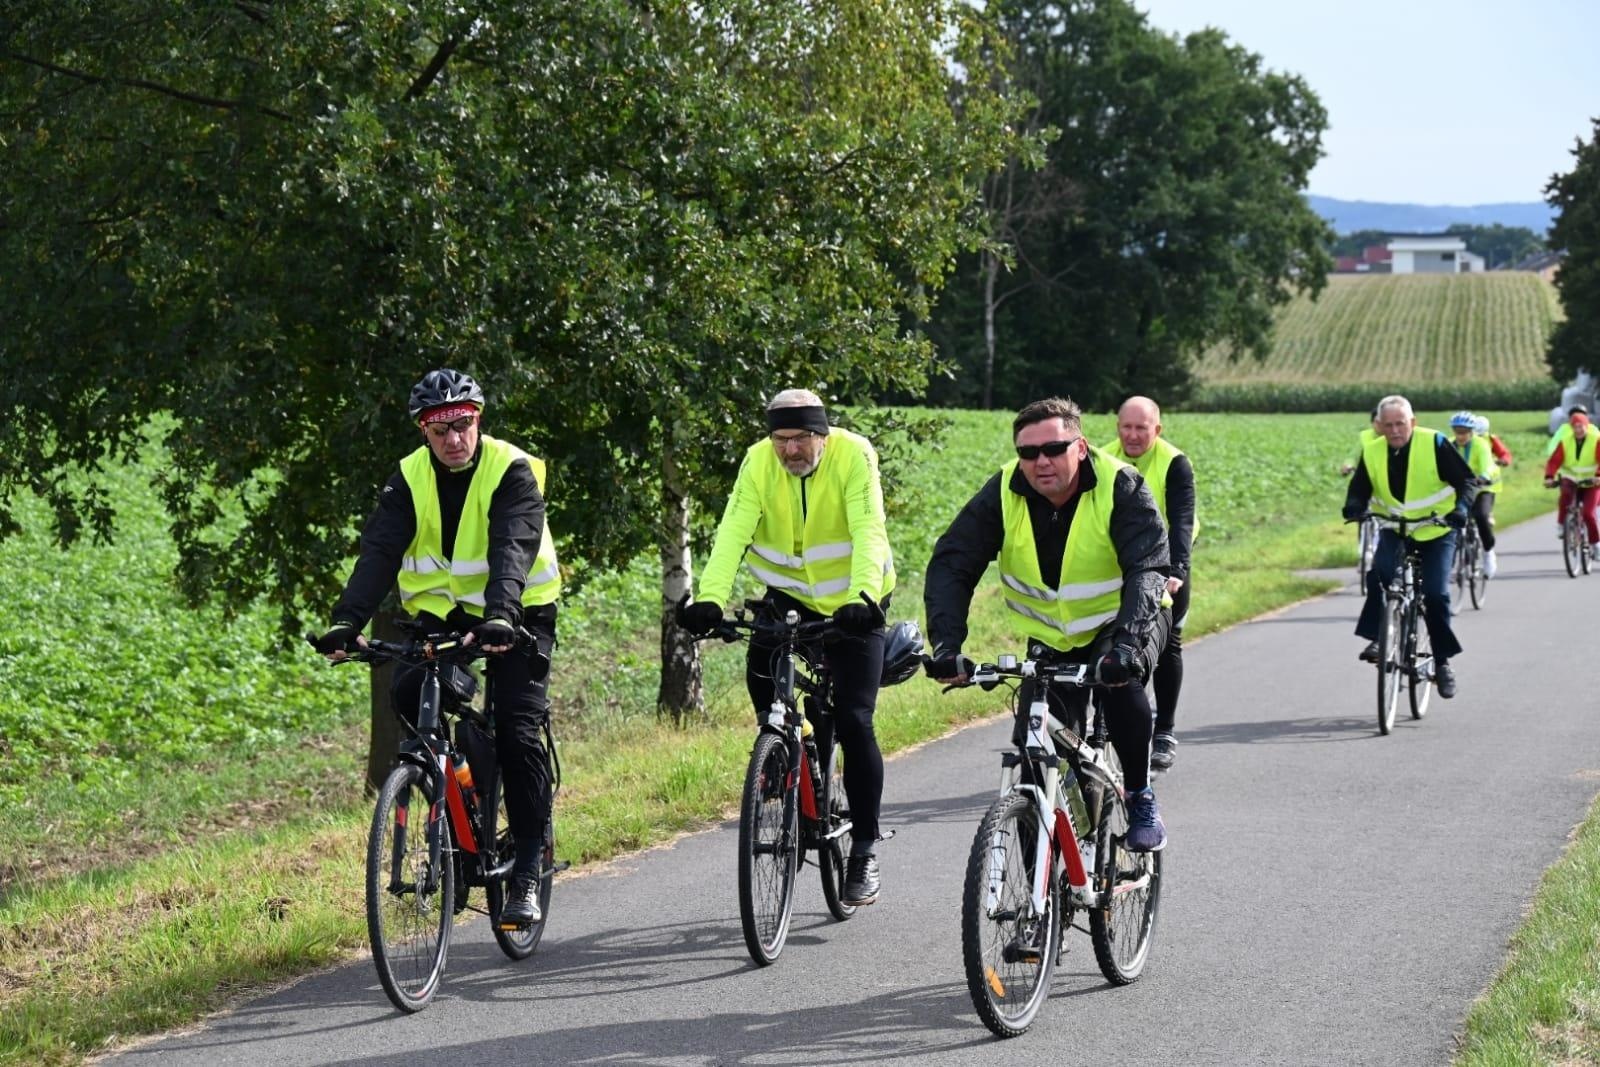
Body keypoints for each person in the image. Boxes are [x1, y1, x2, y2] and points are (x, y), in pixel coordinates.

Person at [313, 369, 561, 927]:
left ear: (478, 421)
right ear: (424, 432)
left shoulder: (511, 470)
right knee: (407, 692)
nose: (453, 438)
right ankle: (464, 794)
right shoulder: (408, 479)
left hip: (518, 612)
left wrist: (501, 614)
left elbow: (512, 545)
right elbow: (379, 551)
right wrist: (346, 621)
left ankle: (526, 864)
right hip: (443, 617)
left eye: (463, 424)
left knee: (519, 733)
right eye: (439, 428)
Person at [677, 388, 896, 906]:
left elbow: (868, 530)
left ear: (822, 434)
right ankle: (783, 758)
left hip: (852, 600)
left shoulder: (854, 454)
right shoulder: (758, 462)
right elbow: (734, 530)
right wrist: (710, 598)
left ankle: (864, 849)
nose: (790, 450)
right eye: (781, 440)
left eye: (801, 439)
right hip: (787, 597)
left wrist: (862, 597)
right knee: (762, 671)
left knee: (855, 719)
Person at [924, 396, 1172, 852]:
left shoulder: (1121, 485)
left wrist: (1127, 647)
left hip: (1124, 621)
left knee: (1122, 689)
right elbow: (952, 564)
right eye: (1028, 452)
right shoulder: (1003, 492)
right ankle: (1040, 904)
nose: (1040, 462)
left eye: (1054, 449)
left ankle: (1140, 794)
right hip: (1053, 635)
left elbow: (1148, 569)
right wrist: (946, 646)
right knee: (1035, 753)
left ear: (1080, 447)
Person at [1343, 395, 1476, 699]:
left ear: (1412, 423)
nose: (1394, 430)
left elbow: (1466, 481)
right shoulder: (1373, 451)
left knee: (1435, 593)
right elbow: (1359, 488)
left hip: (1436, 530)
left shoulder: (1435, 443)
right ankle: (1381, 638)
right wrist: (1353, 507)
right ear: (1378, 426)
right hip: (1396, 529)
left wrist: (1460, 510)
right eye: (1387, 425)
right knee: (1379, 575)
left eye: (1400, 423)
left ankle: (1441, 663)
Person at [1104, 396, 1194, 772]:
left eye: (1142, 428)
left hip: (1168, 565)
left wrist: (1177, 570)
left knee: (1168, 643)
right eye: (1127, 426)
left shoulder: (1175, 463)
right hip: (1120, 567)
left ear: (1157, 429)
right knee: (1112, 644)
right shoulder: (1100, 458)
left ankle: (1165, 731)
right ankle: (1104, 732)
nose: (1133, 435)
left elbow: (1182, 520)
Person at [1448, 411, 1499, 578]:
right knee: (1450, 520)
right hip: (1460, 490)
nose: (1461, 436)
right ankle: (1453, 560)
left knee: (1481, 516)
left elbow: (1489, 465)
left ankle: (1488, 552)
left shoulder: (1480, 445)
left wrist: (1483, 477)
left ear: (1472, 431)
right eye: (1457, 431)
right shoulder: (1449, 445)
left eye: (1464, 432)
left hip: (1482, 488)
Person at [1544, 406, 1600, 557]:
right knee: (1565, 498)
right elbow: (1554, 461)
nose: (1578, 430)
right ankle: (1563, 525)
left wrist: (1598, 475)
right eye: (1575, 427)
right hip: (1571, 479)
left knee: (1589, 513)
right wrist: (1549, 477)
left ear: (1586, 426)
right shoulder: (1565, 441)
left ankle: (1595, 544)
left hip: (1592, 482)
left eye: (1581, 426)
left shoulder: (1596, 439)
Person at [1339, 407, 1382, 476]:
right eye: (1377, 422)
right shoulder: (1364, 436)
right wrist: (1348, 465)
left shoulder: (1394, 438)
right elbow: (1353, 455)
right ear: (1372, 422)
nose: (1380, 425)